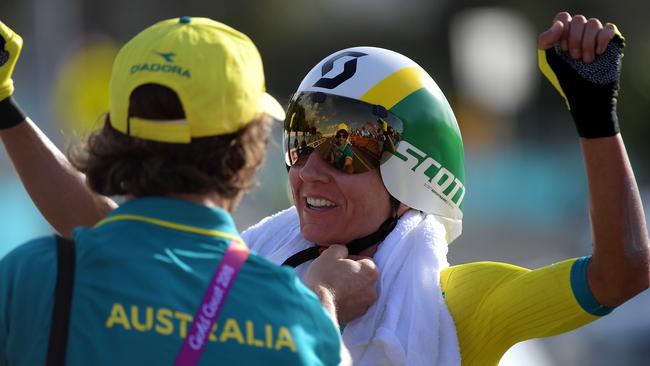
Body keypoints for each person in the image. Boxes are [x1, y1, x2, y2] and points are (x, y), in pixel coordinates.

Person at [2, 11, 649, 365]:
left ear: (413, 173)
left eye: (345, 146)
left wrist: (596, 116)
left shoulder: (460, 302)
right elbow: (102, 227)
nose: (308, 168)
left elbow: (622, 274)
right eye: (299, 138)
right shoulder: (253, 268)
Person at [0, 17, 383, 365]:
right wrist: (323, 304)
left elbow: (120, 244)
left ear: (115, 135)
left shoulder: (32, 275)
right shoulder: (296, 320)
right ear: (245, 149)